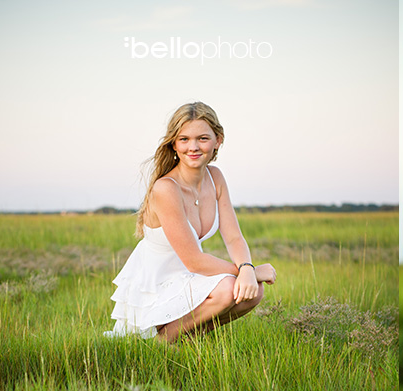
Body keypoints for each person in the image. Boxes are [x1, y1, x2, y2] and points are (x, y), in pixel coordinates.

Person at [106, 101, 276, 343]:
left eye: (203, 138)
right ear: (173, 143)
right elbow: (194, 261)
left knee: (253, 292)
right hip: (157, 284)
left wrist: (246, 269)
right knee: (232, 288)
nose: (193, 147)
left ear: (218, 140)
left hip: (188, 279)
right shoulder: (166, 188)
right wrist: (251, 270)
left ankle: (185, 339)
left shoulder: (215, 177)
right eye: (184, 139)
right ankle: (161, 343)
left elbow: (234, 237)